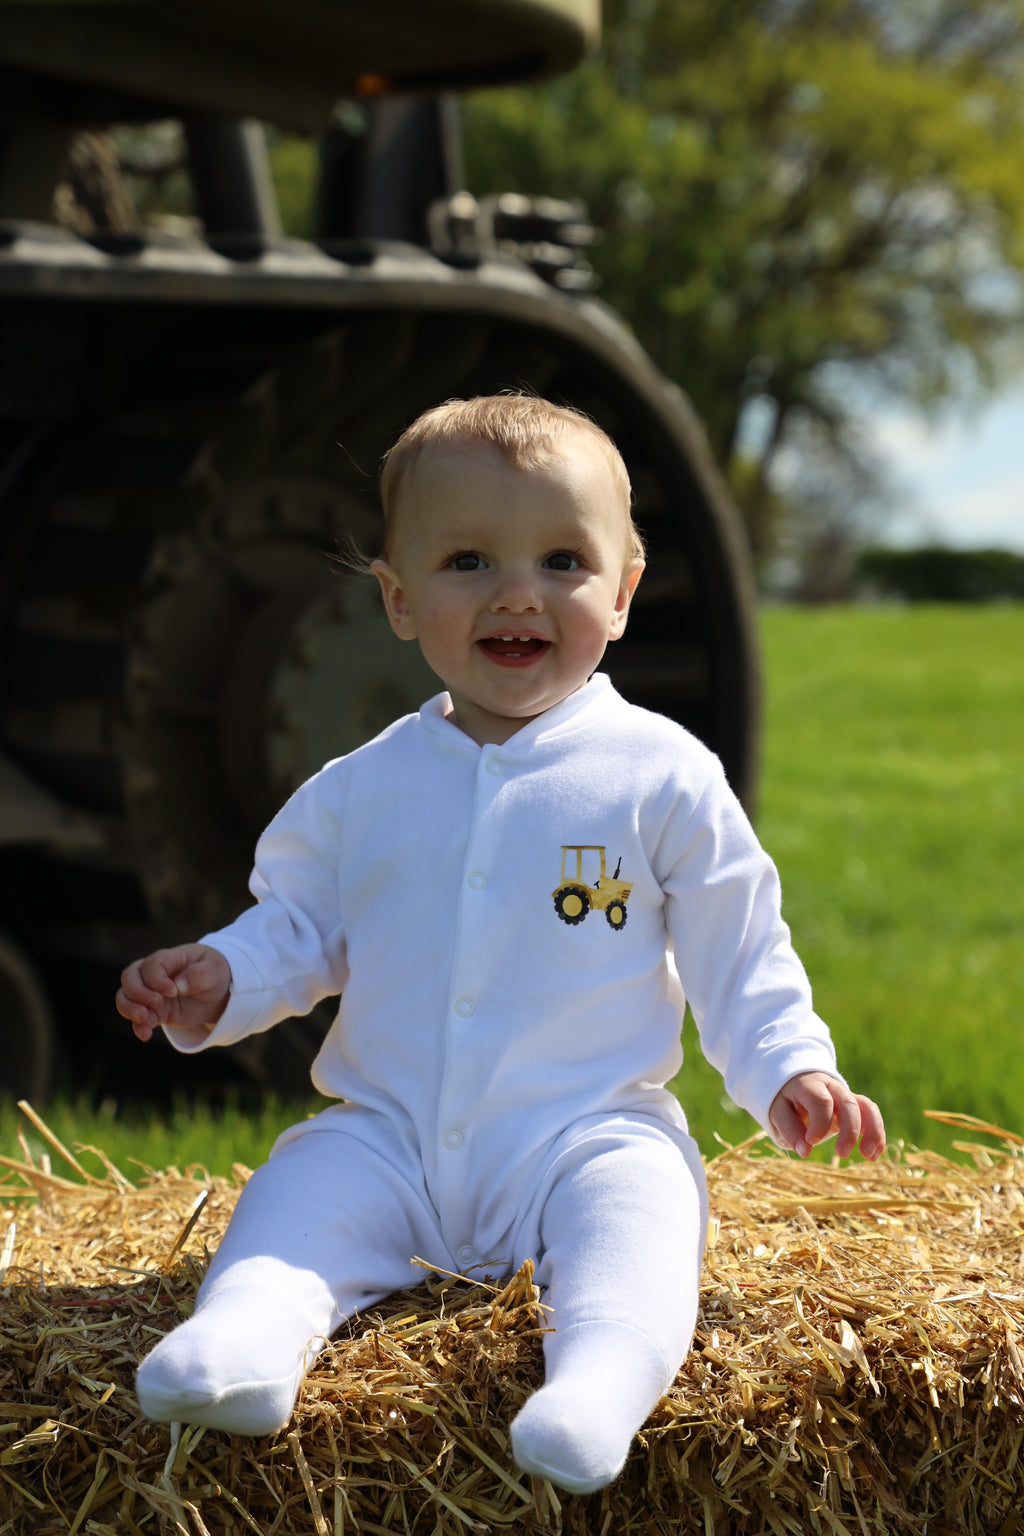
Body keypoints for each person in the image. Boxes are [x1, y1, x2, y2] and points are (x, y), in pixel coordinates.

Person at [117, 395, 885, 1494]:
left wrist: (787, 1065)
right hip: (392, 1138)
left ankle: (599, 1382)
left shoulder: (658, 775)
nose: (518, 592)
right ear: (395, 599)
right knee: (295, 1198)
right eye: (467, 560)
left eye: (563, 560)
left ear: (621, 593)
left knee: (643, 1206)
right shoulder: (359, 789)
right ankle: (243, 1341)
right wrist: (222, 979)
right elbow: (296, 926)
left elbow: (739, 943)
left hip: (581, 1130)